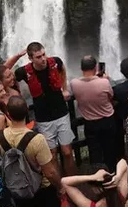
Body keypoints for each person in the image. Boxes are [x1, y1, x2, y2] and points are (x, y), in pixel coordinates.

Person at [0, 96, 62, 207]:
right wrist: (60, 186)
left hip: (15, 188)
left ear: (8, 113)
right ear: (27, 110)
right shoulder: (37, 139)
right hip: (41, 188)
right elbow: (50, 172)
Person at [14, 42, 76, 175]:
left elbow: (63, 69)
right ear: (30, 59)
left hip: (62, 113)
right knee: (51, 154)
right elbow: (11, 80)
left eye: (43, 54)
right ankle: (60, 186)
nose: (43, 59)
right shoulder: (23, 72)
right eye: (38, 57)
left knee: (67, 151)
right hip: (43, 118)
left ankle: (72, 181)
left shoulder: (55, 62)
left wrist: (64, 89)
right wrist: (18, 98)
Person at [71, 55, 118, 171]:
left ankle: (98, 177)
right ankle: (112, 173)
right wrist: (104, 79)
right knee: (110, 149)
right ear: (96, 67)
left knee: (94, 150)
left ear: (81, 69)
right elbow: (111, 96)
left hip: (90, 123)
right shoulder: (104, 83)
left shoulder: (74, 84)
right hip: (107, 120)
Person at [60, 160, 128, 207]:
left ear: (96, 188)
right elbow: (123, 162)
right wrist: (118, 176)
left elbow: (64, 182)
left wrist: (92, 177)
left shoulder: (92, 205)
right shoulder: (120, 196)